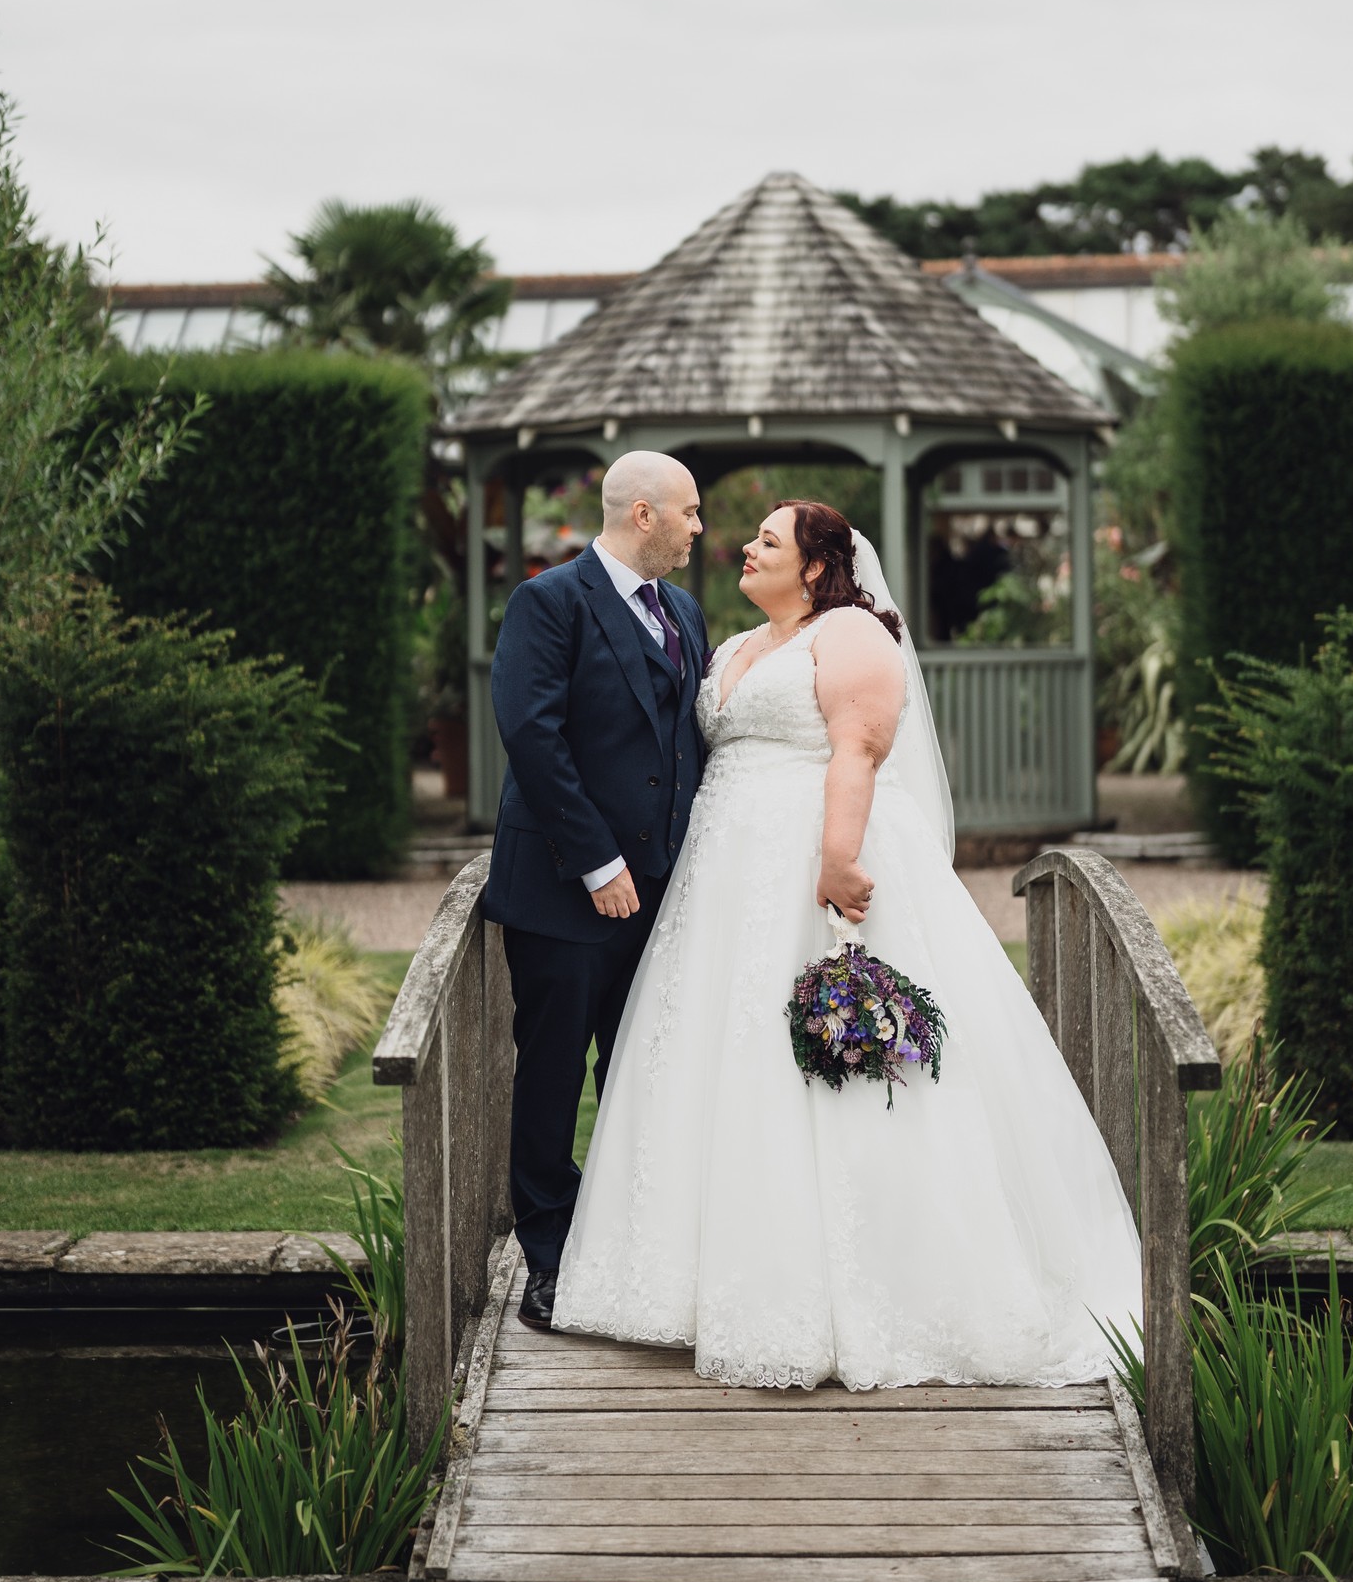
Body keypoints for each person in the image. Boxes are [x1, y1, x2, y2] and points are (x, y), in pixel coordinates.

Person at [553, 499, 1142, 1389]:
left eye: (767, 541)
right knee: (726, 1068)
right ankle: (696, 1282)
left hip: (812, 865)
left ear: (819, 567)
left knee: (840, 1072)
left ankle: (876, 1287)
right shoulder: (735, 648)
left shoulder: (853, 636)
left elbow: (857, 752)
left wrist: (836, 860)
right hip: (723, 887)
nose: (744, 549)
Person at [486, 451, 709, 1332]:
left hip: (664, 892)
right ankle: (547, 1261)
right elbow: (533, 736)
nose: (701, 530)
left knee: (640, 1072)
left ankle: (626, 1249)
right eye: (689, 514)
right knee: (550, 1077)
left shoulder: (683, 612)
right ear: (644, 514)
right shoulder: (549, 602)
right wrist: (598, 863)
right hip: (564, 892)